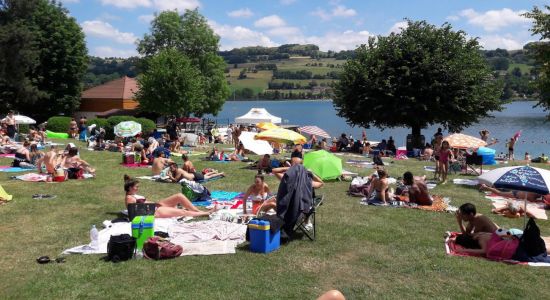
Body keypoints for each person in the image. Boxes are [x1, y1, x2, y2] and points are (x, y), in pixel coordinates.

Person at [124, 175, 216, 218]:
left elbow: (143, 202)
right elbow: (133, 214)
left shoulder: (133, 194)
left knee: (179, 196)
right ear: (130, 188)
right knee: (182, 212)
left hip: (156, 205)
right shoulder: (129, 198)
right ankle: (205, 213)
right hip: (153, 212)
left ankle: (196, 210)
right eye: (136, 187)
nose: (138, 188)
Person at [479, 183, 543, 202]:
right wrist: (541, 201)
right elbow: (534, 200)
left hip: (516, 190)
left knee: (502, 190)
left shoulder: (533, 190)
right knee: (499, 193)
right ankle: (485, 187)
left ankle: (490, 186)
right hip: (514, 194)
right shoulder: (532, 197)